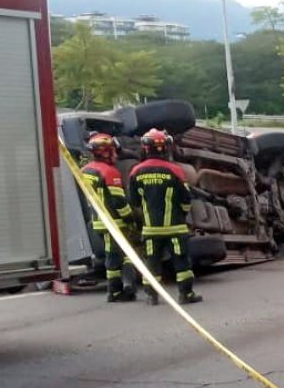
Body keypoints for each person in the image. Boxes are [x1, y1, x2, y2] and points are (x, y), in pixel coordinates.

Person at [127, 129, 203, 305]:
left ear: (145, 148)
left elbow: (134, 201)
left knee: (152, 263)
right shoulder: (175, 171)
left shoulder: (136, 172)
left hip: (151, 229)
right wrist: (182, 216)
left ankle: (151, 296)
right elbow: (185, 200)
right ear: (165, 148)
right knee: (181, 263)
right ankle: (186, 294)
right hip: (175, 229)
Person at [81, 132, 137, 302]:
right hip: (114, 223)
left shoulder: (85, 170)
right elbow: (118, 201)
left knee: (120, 255)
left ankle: (127, 287)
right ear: (108, 151)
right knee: (115, 256)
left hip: (98, 222)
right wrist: (131, 219)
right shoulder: (110, 172)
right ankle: (114, 291)